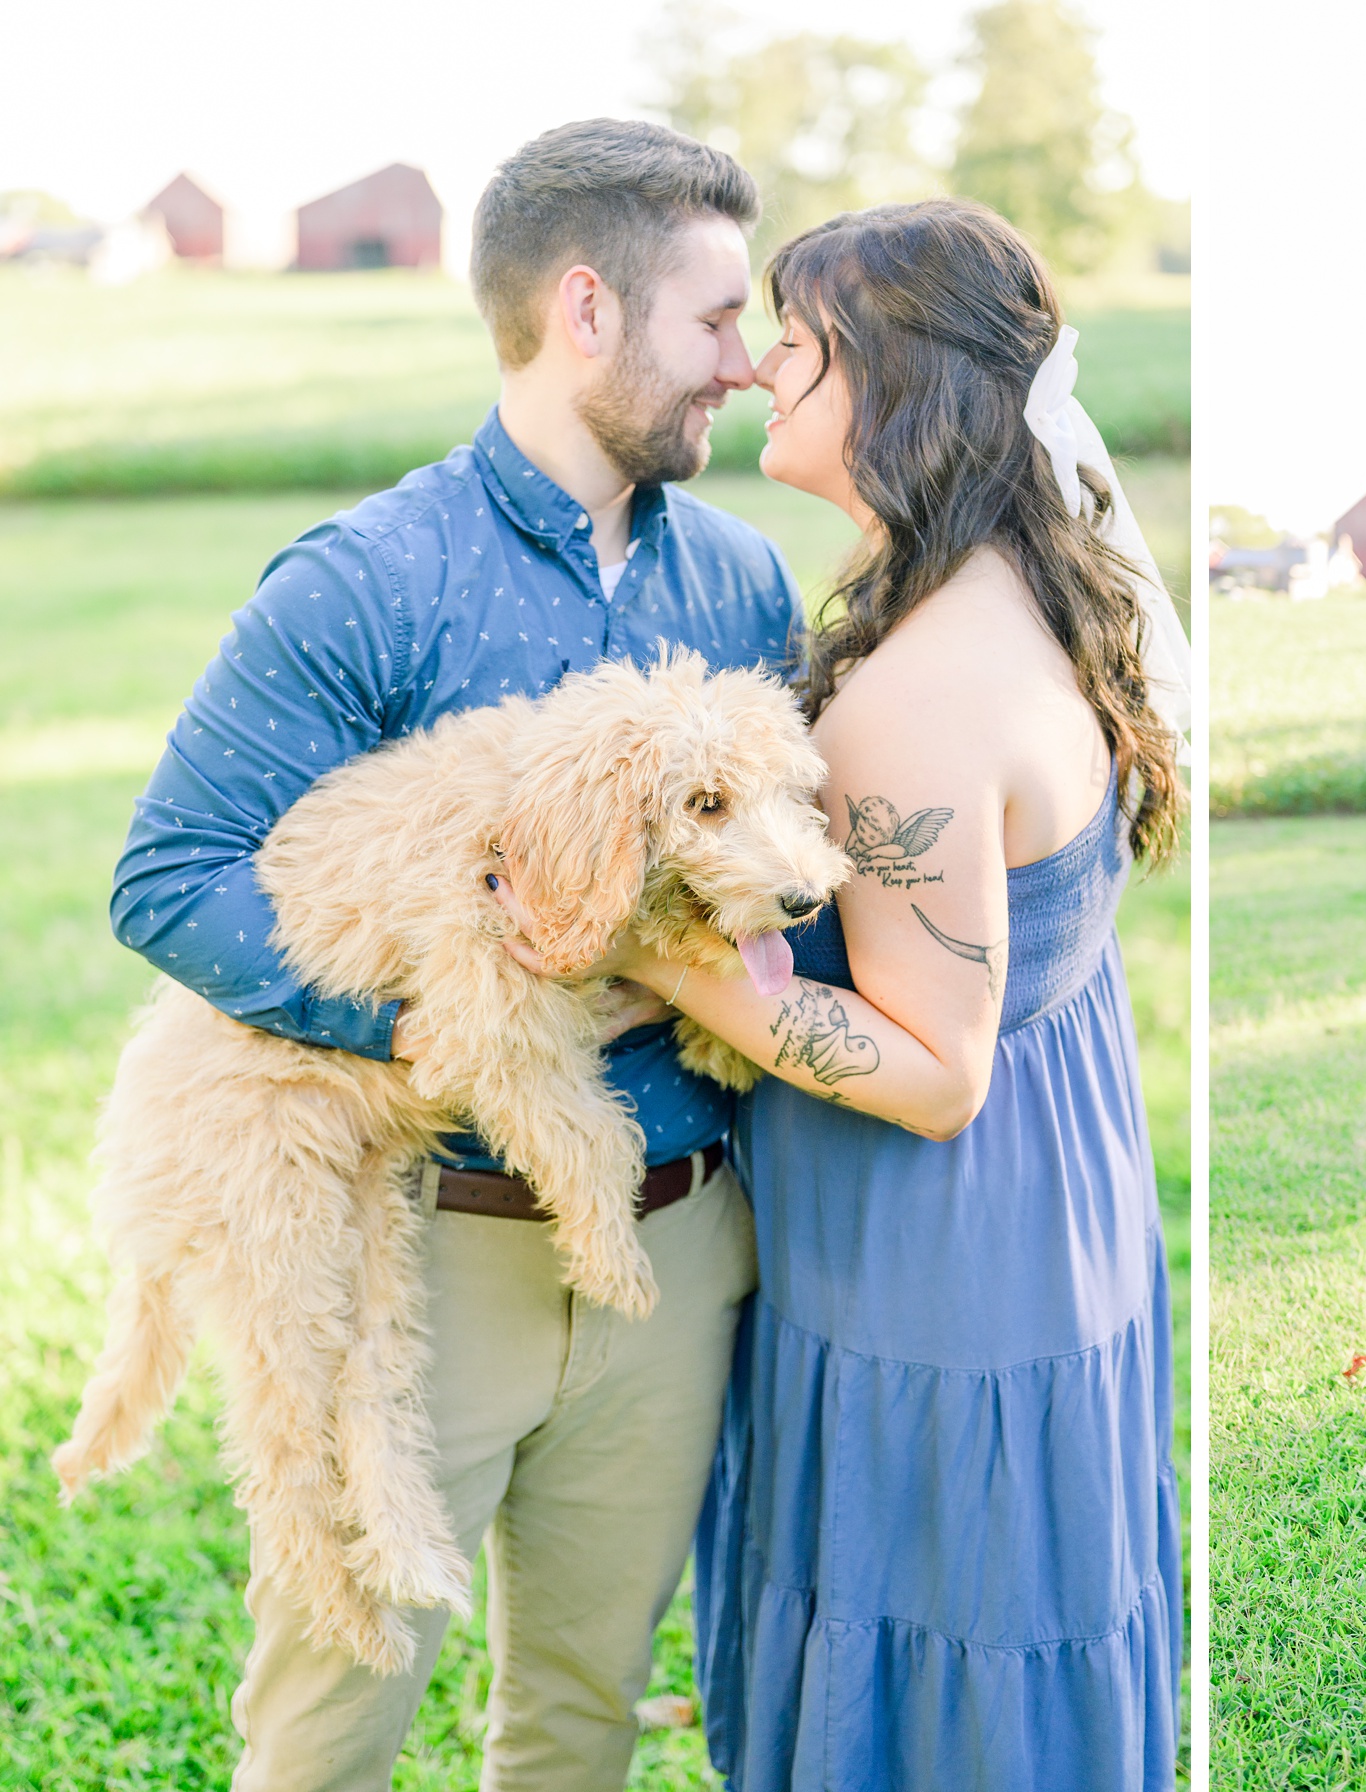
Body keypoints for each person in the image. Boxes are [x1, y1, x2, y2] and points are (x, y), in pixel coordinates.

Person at [110, 119, 797, 1788]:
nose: (752, 364)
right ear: (585, 308)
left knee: (579, 1721)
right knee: (330, 1726)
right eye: (716, 320)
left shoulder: (749, 583)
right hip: (424, 1242)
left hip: (688, 1240)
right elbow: (167, 875)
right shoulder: (364, 584)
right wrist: (470, 1010)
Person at [511, 198, 1187, 1788]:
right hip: (1052, 1209)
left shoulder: (919, 695)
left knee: (936, 1667)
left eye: (797, 346)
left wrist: (641, 944)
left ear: (897, 388)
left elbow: (937, 1071)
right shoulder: (1024, 592)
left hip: (933, 1264)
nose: (755, 373)